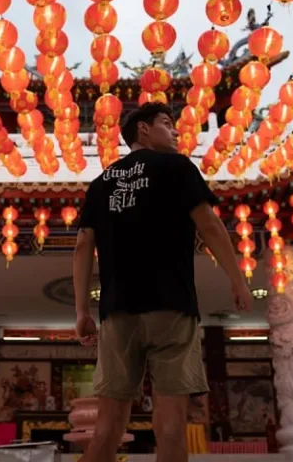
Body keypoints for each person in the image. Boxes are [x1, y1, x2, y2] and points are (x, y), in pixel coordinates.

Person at [73, 102, 252, 462]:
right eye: (167, 124)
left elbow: (81, 246)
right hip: (172, 307)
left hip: (117, 312)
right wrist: (237, 279)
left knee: (107, 425)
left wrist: (81, 311)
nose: (176, 132)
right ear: (143, 129)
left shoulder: (100, 183)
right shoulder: (177, 167)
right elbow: (210, 225)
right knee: (170, 425)